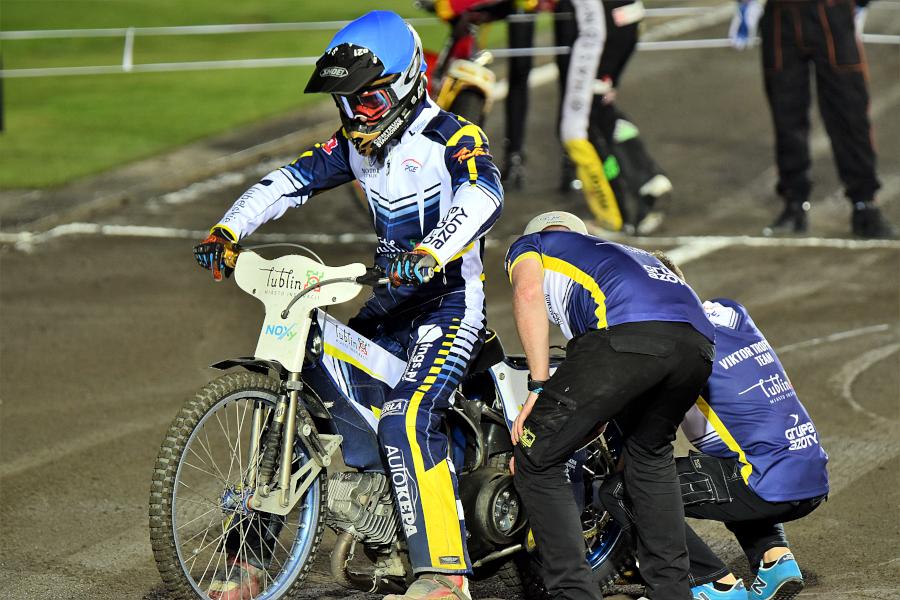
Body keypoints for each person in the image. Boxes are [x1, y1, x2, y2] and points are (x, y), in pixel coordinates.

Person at [192, 11, 504, 600]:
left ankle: (445, 576)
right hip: (388, 307)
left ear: (406, 83)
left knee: (405, 418)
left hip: (449, 308)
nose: (357, 115)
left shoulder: (452, 136)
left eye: (368, 99)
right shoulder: (356, 146)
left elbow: (486, 193)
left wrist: (433, 250)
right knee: (299, 393)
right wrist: (227, 230)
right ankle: (251, 560)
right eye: (347, 102)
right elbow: (288, 180)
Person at [505, 211, 716, 600]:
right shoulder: (622, 256)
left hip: (625, 333)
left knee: (536, 458)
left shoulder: (532, 245)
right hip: (697, 343)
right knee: (649, 455)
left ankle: (574, 595)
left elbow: (528, 293)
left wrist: (537, 386)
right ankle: (673, 592)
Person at [598, 252, 830, 600]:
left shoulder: (667, 342)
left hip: (767, 486)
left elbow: (640, 435)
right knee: (725, 460)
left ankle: (713, 583)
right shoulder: (731, 312)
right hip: (810, 472)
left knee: (622, 490)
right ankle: (774, 558)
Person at [728, 0, 895, 238]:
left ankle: (864, 205)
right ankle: (794, 205)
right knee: (786, 116)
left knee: (849, 113)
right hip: (780, 16)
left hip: (831, 13)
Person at [554, 0, 673, 234]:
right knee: (600, 109)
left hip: (599, 25)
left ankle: (613, 215)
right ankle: (648, 178)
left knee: (576, 129)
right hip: (627, 17)